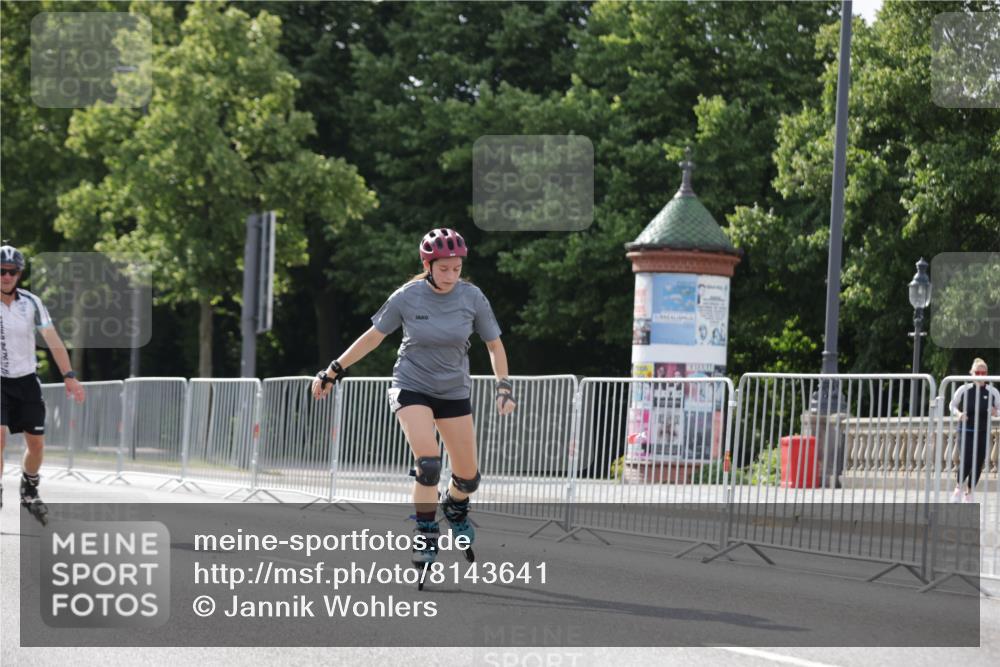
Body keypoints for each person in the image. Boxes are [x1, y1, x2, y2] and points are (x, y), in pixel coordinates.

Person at [311, 228, 516, 564]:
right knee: (429, 465)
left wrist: (504, 387)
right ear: (428, 264)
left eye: (457, 268)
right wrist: (333, 370)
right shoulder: (407, 296)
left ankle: (454, 505)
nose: (451, 275)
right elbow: (373, 337)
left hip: (453, 391)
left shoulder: (472, 298)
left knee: (468, 477)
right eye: (444, 268)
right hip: (412, 386)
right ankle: (425, 534)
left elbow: (494, 345)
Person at [0, 244, 86, 522]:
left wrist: (69, 375)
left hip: (26, 380)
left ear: (20, 274)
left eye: (12, 272)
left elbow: (52, 339)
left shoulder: (31, 303)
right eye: (1, 271)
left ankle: (29, 489)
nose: (7, 276)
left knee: (36, 444)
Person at [948, 358, 1000, 503]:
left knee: (978, 462)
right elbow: (952, 405)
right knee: (966, 459)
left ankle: (969, 492)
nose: (981, 376)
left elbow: (999, 409)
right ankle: (958, 487)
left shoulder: (992, 391)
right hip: (966, 430)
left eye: (984, 373)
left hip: (983, 432)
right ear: (971, 373)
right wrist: (958, 414)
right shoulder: (964, 389)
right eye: (978, 372)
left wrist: (996, 412)